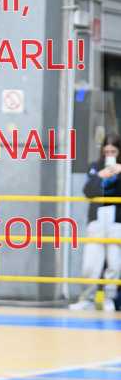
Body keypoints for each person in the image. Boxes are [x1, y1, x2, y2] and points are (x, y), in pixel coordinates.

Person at [69, 132, 121, 312]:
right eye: (106, 152)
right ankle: (86, 298)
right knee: (90, 263)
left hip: (116, 220)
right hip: (97, 219)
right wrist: (100, 176)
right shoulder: (95, 167)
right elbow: (88, 191)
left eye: (113, 152)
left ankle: (110, 298)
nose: (109, 155)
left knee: (115, 263)